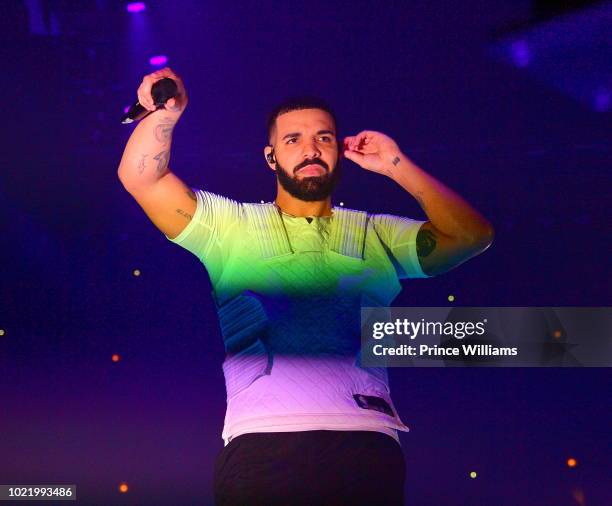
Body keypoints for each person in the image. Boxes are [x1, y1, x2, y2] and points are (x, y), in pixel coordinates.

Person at [117, 67, 494, 505]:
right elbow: (142, 179)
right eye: (293, 139)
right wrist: (166, 114)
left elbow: (473, 236)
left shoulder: (378, 234)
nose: (310, 149)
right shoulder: (230, 226)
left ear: (339, 150)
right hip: (262, 445)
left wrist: (396, 165)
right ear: (270, 157)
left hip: (366, 445)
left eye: (324, 138)